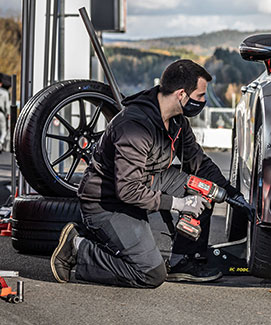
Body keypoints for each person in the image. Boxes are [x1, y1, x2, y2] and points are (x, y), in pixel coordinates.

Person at [51, 59, 241, 288]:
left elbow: (198, 162)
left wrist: (231, 194)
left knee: (204, 188)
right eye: (200, 96)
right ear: (181, 94)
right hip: (108, 202)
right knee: (150, 274)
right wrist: (178, 204)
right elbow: (128, 190)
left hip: (146, 183)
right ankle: (79, 248)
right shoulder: (134, 127)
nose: (203, 101)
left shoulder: (176, 121)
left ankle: (183, 262)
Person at [0, 75, 10, 153]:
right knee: (3, 130)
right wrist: (8, 114)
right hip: (1, 114)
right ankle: (1, 142)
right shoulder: (5, 92)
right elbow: (7, 105)